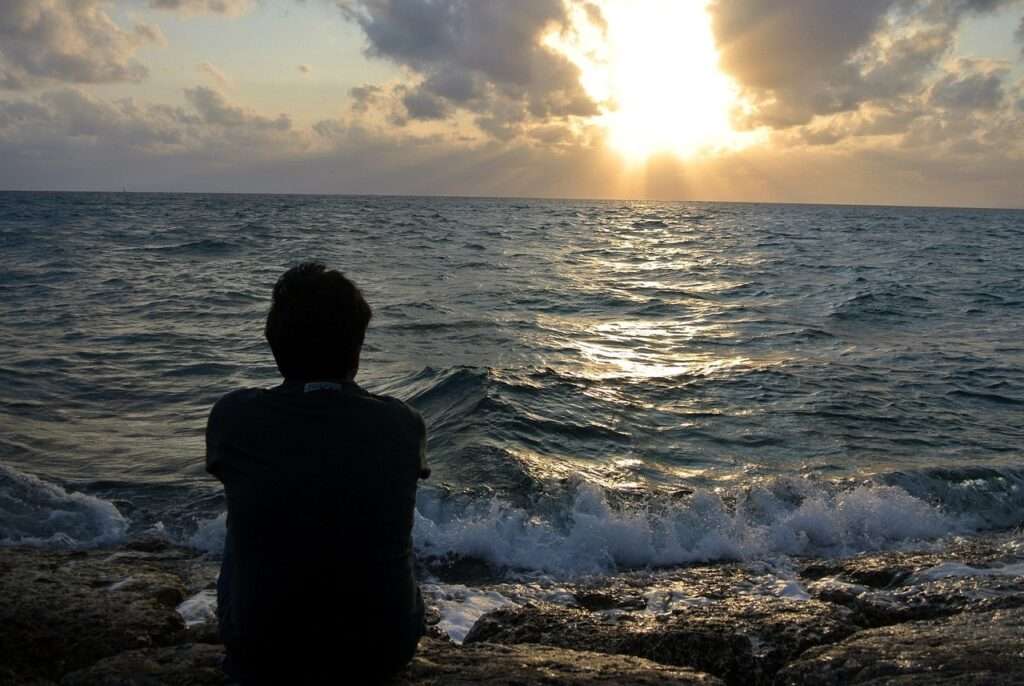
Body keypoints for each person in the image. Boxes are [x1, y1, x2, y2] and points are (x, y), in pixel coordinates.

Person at [205, 262, 429, 684]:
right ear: (358, 346)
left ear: (273, 343)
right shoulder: (404, 424)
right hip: (382, 647)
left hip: (263, 649)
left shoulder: (234, 417)